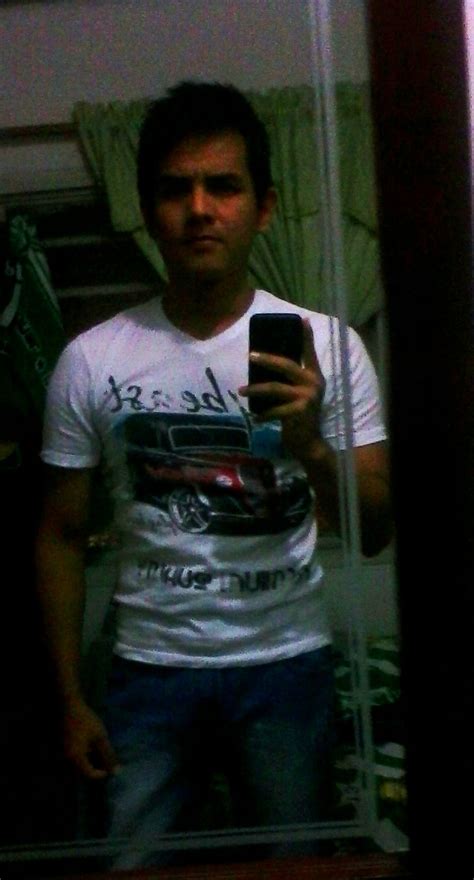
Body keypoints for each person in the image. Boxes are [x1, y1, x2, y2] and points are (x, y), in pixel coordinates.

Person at [36, 81, 392, 868]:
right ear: (148, 211)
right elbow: (60, 534)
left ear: (264, 208)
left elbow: (376, 530)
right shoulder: (91, 359)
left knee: (295, 868)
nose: (200, 209)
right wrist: (69, 701)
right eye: (176, 189)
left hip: (286, 664)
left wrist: (309, 444)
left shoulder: (330, 347)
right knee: (130, 868)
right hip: (146, 670)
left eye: (223, 186)